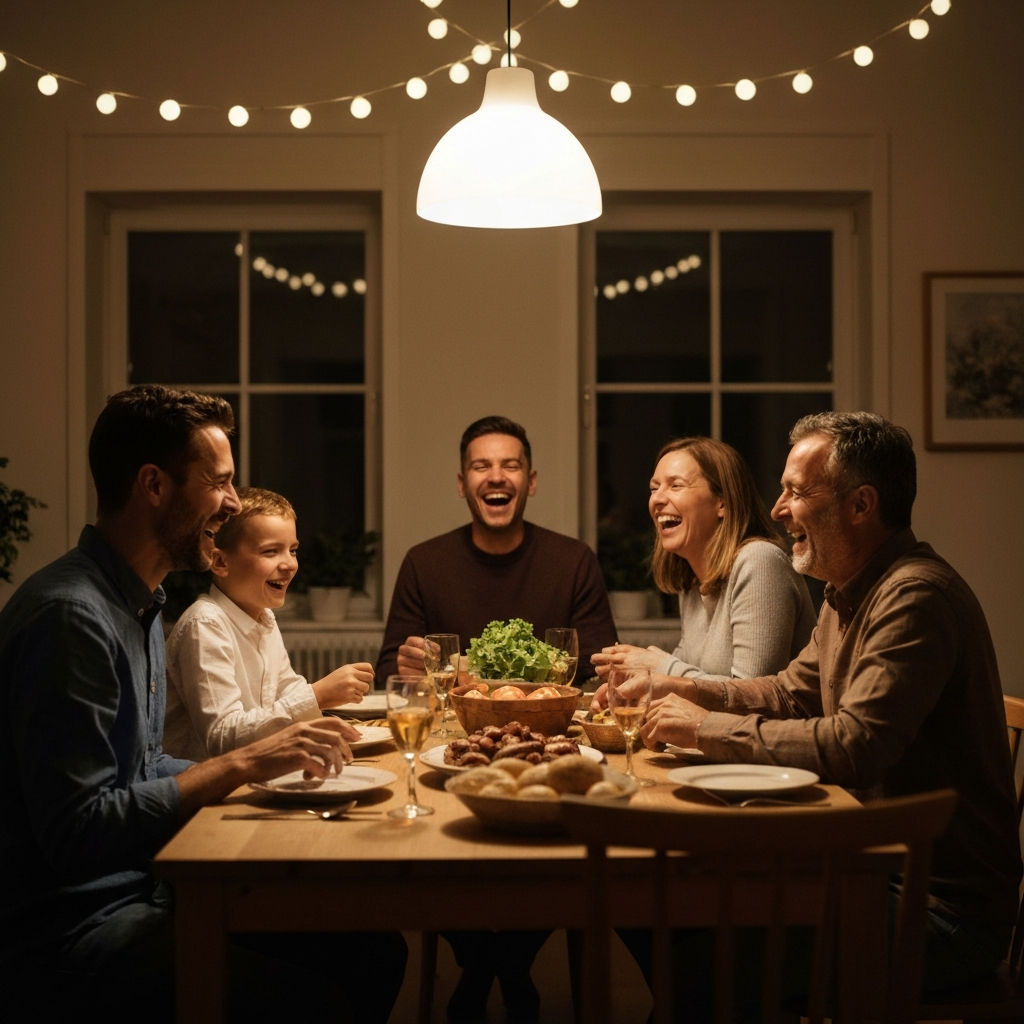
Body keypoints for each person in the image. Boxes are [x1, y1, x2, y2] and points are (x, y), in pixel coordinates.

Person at [0, 385, 406, 1024]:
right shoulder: (71, 618)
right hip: (75, 930)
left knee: (374, 951)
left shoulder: (137, 604)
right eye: (219, 483)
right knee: (319, 998)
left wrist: (268, 762)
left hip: (145, 887)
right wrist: (242, 765)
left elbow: (143, 765)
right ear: (154, 485)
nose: (233, 503)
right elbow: (77, 833)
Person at [638, 412, 1022, 1008]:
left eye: (795, 492)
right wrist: (687, 692)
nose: (777, 509)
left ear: (861, 504)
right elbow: (791, 691)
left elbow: (856, 746)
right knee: (669, 909)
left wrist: (706, 729)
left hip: (936, 911)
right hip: (864, 869)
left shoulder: (914, 595)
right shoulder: (847, 592)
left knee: (694, 955)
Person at [376, 415, 617, 1024]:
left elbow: (597, 672)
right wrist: (408, 662)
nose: (496, 476)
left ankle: (489, 966)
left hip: (552, 747)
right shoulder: (424, 562)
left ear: (530, 481)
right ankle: (503, 967)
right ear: (463, 483)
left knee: (553, 850)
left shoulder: (573, 560)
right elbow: (391, 673)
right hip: (457, 750)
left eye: (509, 465)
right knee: (440, 843)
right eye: (482, 466)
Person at [590, 437, 815, 694]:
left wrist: (657, 667)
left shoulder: (760, 561)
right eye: (654, 489)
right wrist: (633, 690)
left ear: (722, 503)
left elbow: (751, 697)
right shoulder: (693, 578)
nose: (657, 500)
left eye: (676, 485)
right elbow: (686, 669)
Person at [164, 486, 374, 760]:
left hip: (257, 771)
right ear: (220, 561)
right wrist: (317, 695)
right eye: (271, 551)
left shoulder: (263, 616)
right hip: (208, 792)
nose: (289, 564)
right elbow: (222, 738)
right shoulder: (205, 625)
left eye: (293, 550)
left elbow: (285, 688)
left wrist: (325, 707)